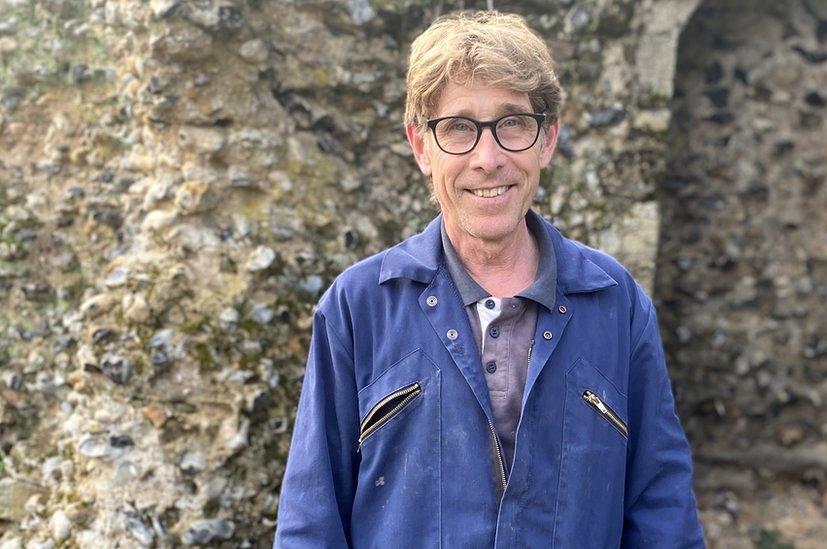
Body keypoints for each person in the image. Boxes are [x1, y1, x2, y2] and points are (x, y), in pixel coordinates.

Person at [275, 10, 704, 548]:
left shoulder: (617, 305)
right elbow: (310, 525)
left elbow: (663, 515)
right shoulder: (358, 308)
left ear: (546, 140)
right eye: (458, 128)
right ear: (420, 146)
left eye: (512, 124)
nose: (488, 158)